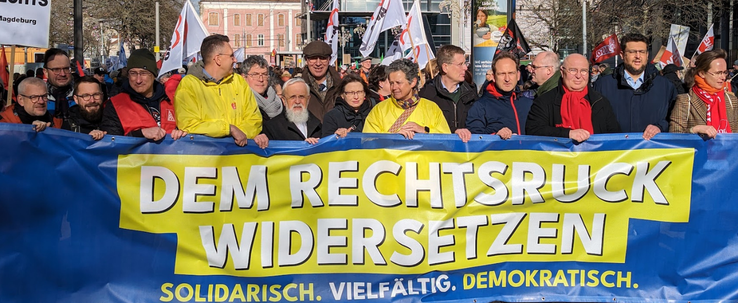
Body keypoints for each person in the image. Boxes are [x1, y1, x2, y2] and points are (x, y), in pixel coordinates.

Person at [175, 34, 263, 147]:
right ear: (218, 59)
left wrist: (241, 134)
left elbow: (255, 119)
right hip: (206, 157)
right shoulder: (189, 85)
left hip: (239, 156)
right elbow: (188, 124)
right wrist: (228, 129)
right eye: (231, 56)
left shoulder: (238, 82)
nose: (235, 60)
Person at [593, 33, 676, 140]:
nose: (638, 56)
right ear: (622, 55)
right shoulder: (602, 85)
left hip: (652, 152)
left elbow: (675, 120)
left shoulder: (665, 86)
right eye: (632, 52)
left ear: (647, 55)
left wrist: (660, 127)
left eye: (642, 52)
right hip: (616, 152)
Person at [526, 54, 620, 142]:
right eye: (573, 70)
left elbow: (615, 136)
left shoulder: (600, 102)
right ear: (562, 72)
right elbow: (533, 130)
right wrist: (567, 134)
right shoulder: (544, 101)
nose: (578, 76)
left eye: (583, 71)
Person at [101, 49, 187, 141]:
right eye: (133, 73)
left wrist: (181, 133)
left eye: (144, 73)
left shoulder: (172, 100)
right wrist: (140, 134)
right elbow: (110, 145)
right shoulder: (115, 105)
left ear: (154, 75)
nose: (138, 80)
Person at [364, 59, 451, 139]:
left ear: (413, 82)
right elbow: (368, 141)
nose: (394, 87)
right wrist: (392, 136)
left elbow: (447, 140)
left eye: (398, 83)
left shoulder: (431, 108)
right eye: (391, 83)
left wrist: (425, 131)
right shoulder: (379, 110)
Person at [670, 49, 738, 138]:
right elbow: (674, 136)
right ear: (702, 73)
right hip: (699, 151)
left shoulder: (731, 100)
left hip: (726, 151)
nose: (723, 77)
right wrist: (694, 130)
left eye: (725, 72)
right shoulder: (685, 101)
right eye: (718, 73)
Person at [466, 51, 533, 139]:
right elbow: (474, 138)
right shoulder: (480, 106)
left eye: (511, 73)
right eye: (502, 74)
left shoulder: (529, 104)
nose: (507, 79)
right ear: (493, 77)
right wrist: (495, 136)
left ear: (518, 75)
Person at [418, 45, 476, 141]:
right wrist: (454, 131)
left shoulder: (471, 92)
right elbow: (423, 127)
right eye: (460, 64)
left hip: (466, 151)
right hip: (439, 151)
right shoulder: (427, 95)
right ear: (445, 67)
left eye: (465, 63)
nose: (465, 68)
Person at [262, 78, 322, 144]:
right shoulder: (272, 128)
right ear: (284, 100)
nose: (297, 101)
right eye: (292, 97)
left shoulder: (318, 125)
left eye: (301, 97)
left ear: (308, 99)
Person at [299, 41, 341, 122]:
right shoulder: (297, 87)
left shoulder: (341, 87)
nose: (318, 63)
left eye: (323, 58)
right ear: (306, 60)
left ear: (329, 60)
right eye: (313, 58)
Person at [242, 55, 283, 121]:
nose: (261, 79)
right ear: (244, 77)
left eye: (264, 74)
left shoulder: (278, 101)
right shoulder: (241, 102)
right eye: (255, 74)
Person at [43, 48, 75, 120]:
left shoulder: (83, 96)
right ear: (46, 72)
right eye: (56, 70)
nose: (62, 74)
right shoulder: (37, 99)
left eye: (66, 69)